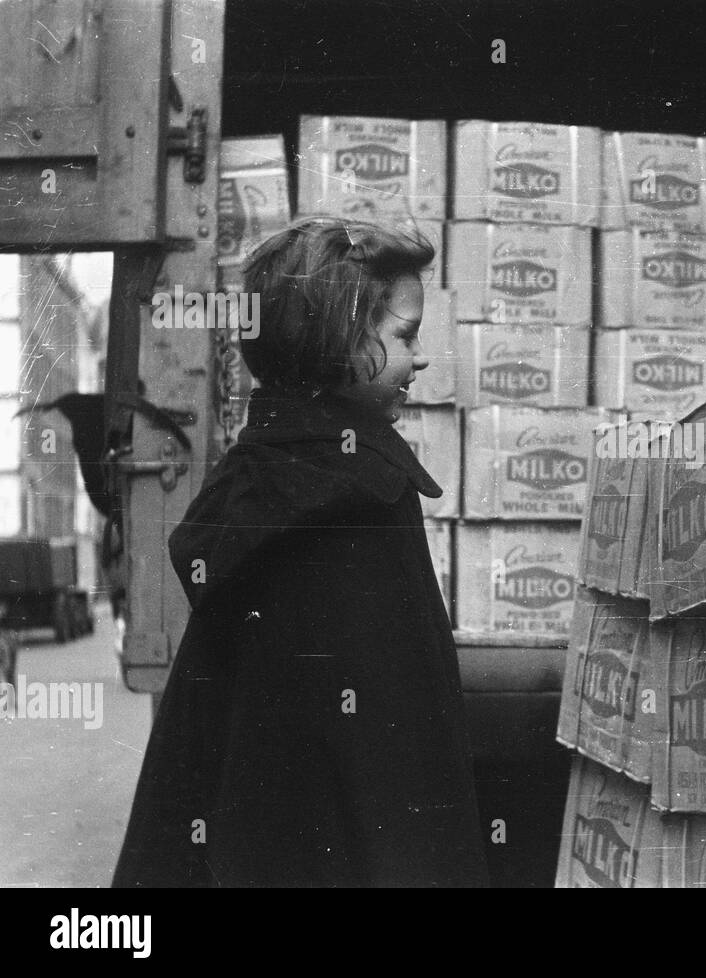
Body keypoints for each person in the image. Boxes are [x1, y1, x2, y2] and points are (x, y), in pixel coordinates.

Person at [112, 217, 488, 887]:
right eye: (406, 336)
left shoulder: (251, 479)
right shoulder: (366, 492)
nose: (420, 357)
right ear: (342, 340)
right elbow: (403, 743)